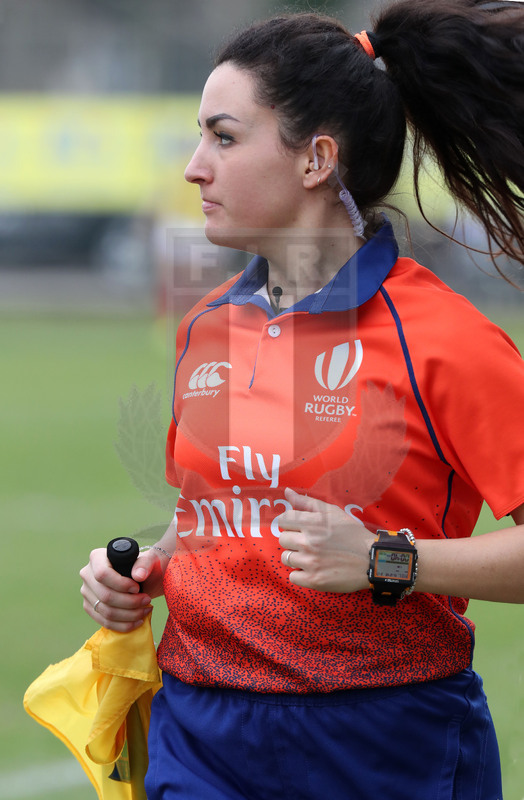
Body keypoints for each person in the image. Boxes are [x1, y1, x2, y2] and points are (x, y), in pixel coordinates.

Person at [80, 1, 524, 797]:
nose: (194, 166)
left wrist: (390, 561)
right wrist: (152, 571)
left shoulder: (448, 340)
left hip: (389, 746)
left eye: (223, 136)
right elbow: (217, 519)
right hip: (198, 738)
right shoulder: (206, 327)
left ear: (317, 159)